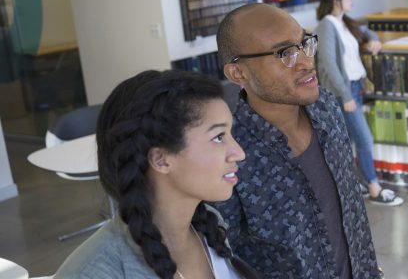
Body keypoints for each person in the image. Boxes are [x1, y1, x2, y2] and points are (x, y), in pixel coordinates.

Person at [213, 3, 381, 278]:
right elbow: (227, 259)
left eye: (305, 44)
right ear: (238, 73)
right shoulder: (231, 153)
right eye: (285, 53)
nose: (305, 61)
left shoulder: (327, 107)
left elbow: (352, 216)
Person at [55, 70, 258, 278]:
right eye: (218, 137)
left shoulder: (209, 226)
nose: (239, 153)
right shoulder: (97, 272)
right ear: (160, 159)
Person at [315, 0, 404, 206]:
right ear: (336, 0)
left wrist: (373, 40)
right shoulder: (327, 25)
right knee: (364, 139)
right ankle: (374, 187)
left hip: (354, 89)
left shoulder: (344, 22)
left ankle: (359, 185)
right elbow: (328, 64)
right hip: (342, 93)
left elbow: (366, 32)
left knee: (350, 141)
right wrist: (345, 96)